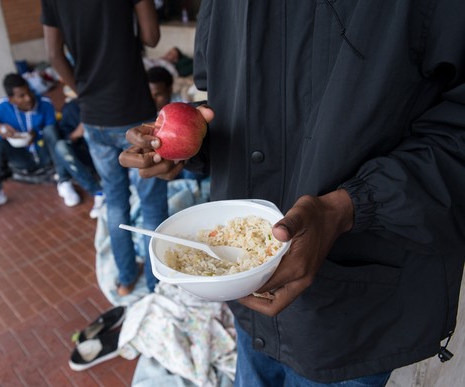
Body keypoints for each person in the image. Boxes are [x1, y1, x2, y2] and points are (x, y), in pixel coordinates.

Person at [118, 1, 465, 386]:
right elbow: (230, 104)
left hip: (357, 310)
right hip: (250, 312)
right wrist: (188, 146)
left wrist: (347, 208)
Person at [41, 0, 169, 296]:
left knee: (115, 202)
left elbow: (53, 56)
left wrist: (85, 92)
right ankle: (156, 288)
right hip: (133, 113)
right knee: (151, 205)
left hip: (94, 117)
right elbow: (151, 37)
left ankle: (126, 279)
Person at [0, 73, 78, 217]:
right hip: (20, 157)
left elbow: (54, 132)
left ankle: (64, 181)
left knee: (50, 130)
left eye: (28, 92)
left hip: (43, 154)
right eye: (21, 96)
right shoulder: (2, 108)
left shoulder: (44, 103)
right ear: (11, 100)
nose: (28, 98)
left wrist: (36, 134)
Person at [46, 99, 105, 219]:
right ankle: (98, 192)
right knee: (61, 147)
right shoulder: (71, 108)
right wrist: (77, 133)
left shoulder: (103, 101)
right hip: (87, 154)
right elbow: (66, 137)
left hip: (109, 153)